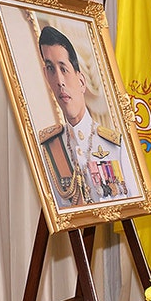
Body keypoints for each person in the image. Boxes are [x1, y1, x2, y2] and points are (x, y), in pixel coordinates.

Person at [36, 25, 131, 208]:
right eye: (50, 69)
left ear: (81, 82)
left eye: (63, 69)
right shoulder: (48, 146)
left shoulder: (114, 145)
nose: (59, 81)